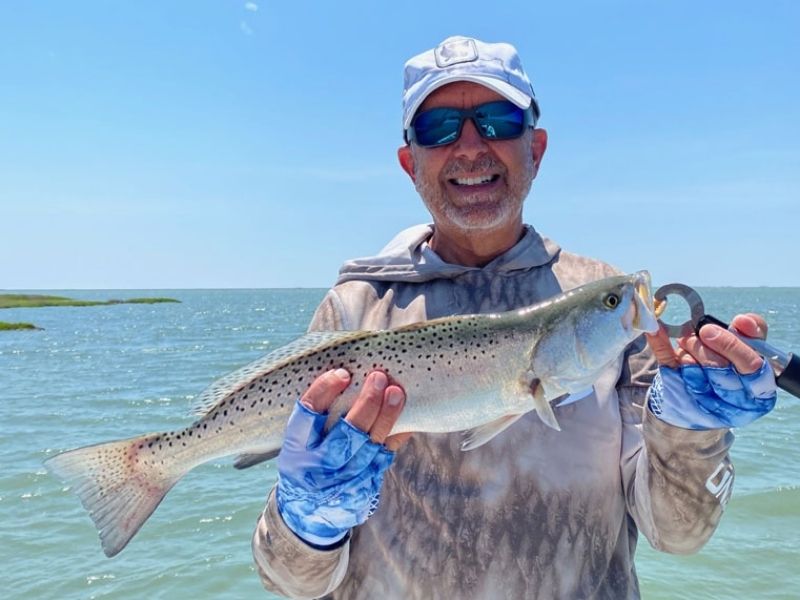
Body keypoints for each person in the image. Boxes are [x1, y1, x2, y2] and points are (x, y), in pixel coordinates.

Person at [251, 36, 777, 599]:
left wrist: (691, 433)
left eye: (498, 121)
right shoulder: (354, 307)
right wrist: (308, 522)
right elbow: (289, 582)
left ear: (536, 148)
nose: (470, 146)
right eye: (438, 128)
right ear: (410, 163)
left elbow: (678, 534)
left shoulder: (612, 310)